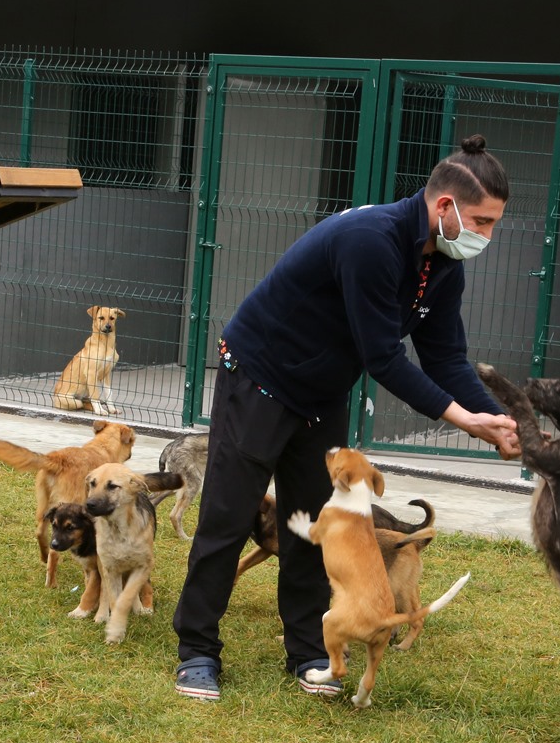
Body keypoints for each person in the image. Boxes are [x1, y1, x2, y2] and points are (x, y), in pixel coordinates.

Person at [172, 134, 522, 703]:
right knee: (229, 517)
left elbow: (445, 358)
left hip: (322, 392)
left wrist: (500, 420)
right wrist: (465, 421)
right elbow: (383, 357)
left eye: (493, 224)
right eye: (482, 221)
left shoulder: (443, 264)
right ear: (445, 206)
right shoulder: (370, 240)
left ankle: (310, 651)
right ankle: (197, 651)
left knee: (320, 524)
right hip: (260, 376)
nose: (486, 235)